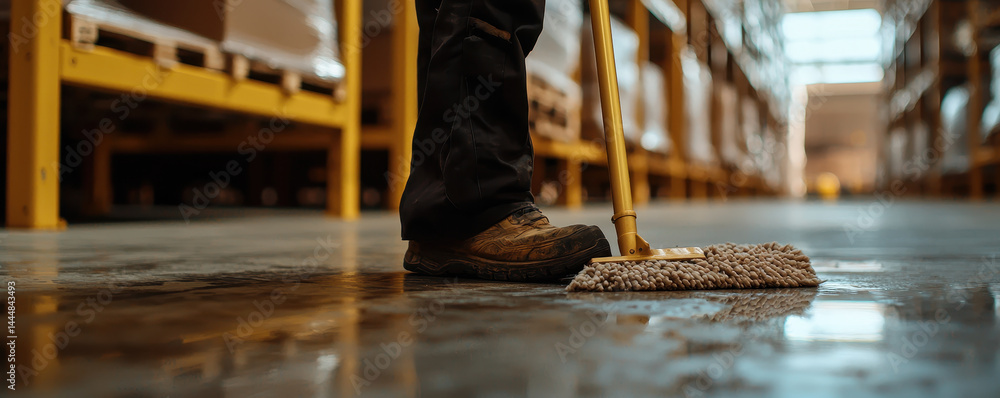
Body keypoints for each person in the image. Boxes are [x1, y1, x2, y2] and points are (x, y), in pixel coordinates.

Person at [399, 0, 612, 281]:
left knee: (450, 13)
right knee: (486, 8)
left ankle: (445, 215)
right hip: (472, 208)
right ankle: (477, 209)